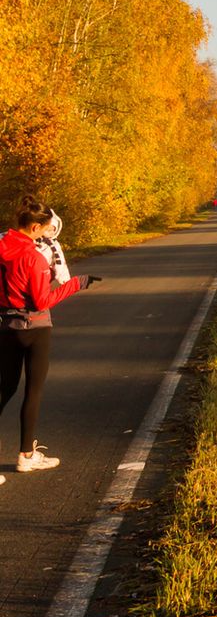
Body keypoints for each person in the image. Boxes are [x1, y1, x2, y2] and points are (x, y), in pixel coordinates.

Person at [0, 196, 97, 475]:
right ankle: (26, 456)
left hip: (5, 326)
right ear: (35, 227)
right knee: (33, 391)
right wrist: (77, 284)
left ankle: (27, 455)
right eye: (44, 230)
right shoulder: (34, 257)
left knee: (5, 389)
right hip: (35, 328)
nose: (46, 235)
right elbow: (42, 301)